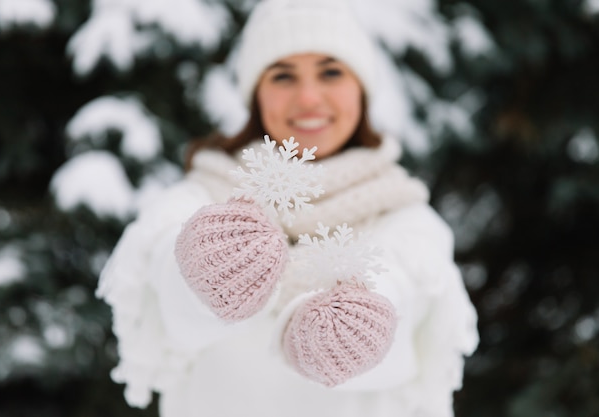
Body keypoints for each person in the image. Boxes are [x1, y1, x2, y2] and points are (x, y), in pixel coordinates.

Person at [97, 0, 479, 416]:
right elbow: (165, 269)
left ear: (361, 88)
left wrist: (354, 321)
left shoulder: (403, 214)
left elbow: (405, 291)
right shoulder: (204, 196)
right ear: (257, 94)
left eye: (331, 72)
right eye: (283, 75)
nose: (309, 97)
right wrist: (208, 271)